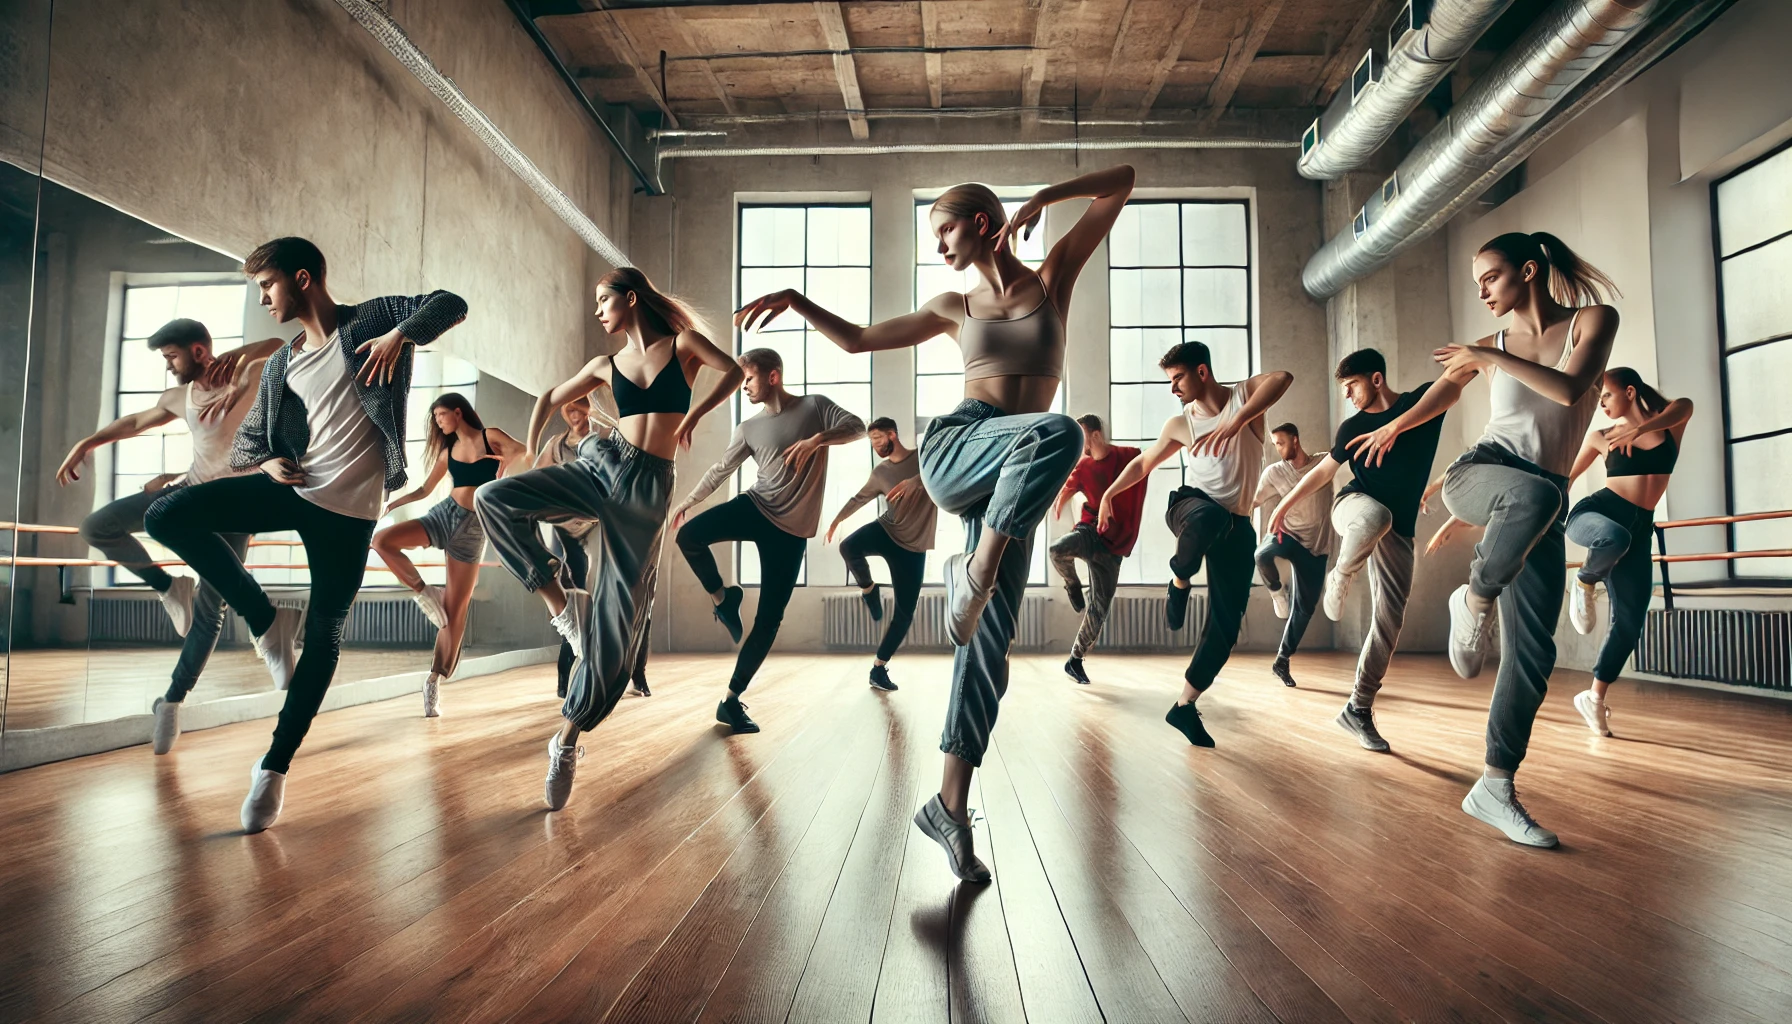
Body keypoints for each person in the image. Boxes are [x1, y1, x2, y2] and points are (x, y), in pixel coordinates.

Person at [738, 165, 1133, 883]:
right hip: (959, 447)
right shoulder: (954, 306)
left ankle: (949, 808)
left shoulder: (1055, 277)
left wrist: (1046, 192)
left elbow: (1122, 183)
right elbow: (858, 340)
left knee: (988, 652)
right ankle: (972, 570)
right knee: (1062, 432)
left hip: (1012, 490)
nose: (938, 245)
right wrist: (798, 300)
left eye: (944, 229)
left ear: (983, 222)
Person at [144, 237, 468, 833]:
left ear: (302, 278)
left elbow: (450, 302)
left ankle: (273, 768)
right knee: (164, 515)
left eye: (267, 286)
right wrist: (266, 462)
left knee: (325, 635)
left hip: (348, 514)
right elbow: (250, 442)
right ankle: (266, 618)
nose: (264, 298)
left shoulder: (369, 320)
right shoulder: (284, 361)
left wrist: (401, 336)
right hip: (292, 487)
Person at [477, 268, 739, 811]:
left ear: (632, 298)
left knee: (617, 632)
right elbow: (549, 396)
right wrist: (524, 455)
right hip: (604, 463)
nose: (598, 311)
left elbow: (733, 370)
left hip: (646, 490)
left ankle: (566, 738)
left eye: (604, 300)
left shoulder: (682, 345)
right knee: (491, 499)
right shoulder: (604, 365)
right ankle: (561, 606)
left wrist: (694, 415)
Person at [1397, 231, 1620, 848]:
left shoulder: (1591, 322)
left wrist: (1489, 357)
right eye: (1477, 284)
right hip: (1480, 473)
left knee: (1534, 653)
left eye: (1490, 278)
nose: (1483, 292)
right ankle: (1473, 598)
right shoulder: (1489, 345)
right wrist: (1395, 425)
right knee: (1537, 495)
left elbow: (1572, 389)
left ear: (1527, 270)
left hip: (1541, 497)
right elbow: (1443, 391)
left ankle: (1494, 786)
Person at [56, 317, 279, 754]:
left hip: (233, 509)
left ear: (198, 351)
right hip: (187, 495)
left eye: (171, 356)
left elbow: (278, 342)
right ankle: (168, 585)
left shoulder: (247, 375)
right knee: (96, 526)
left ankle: (172, 703)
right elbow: (136, 421)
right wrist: (85, 443)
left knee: (210, 610)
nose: (168, 366)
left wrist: (237, 355)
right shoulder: (180, 396)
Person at [1100, 340, 1291, 748]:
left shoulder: (1245, 400)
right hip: (1191, 509)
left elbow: (1282, 378)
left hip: (1236, 526)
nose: (1173, 389)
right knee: (1209, 516)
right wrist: (1108, 494)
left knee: (1226, 624)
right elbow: (1144, 463)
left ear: (1202, 372)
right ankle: (1180, 580)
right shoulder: (1180, 423)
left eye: (1177, 378)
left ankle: (1185, 706)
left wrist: (1236, 421)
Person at [1267, 348, 1457, 752]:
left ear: (1375, 379)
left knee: (1390, 620)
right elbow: (1323, 472)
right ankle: (1342, 573)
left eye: (1352, 386)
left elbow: (1455, 387)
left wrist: (1478, 349)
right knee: (1375, 517)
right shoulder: (1351, 427)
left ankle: (1358, 707)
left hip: (1399, 528)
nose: (1348, 396)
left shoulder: (1419, 404)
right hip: (1353, 509)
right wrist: (1283, 504)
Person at [670, 348, 866, 732]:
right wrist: (689, 502)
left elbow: (858, 427)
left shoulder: (815, 407)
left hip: (791, 534)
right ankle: (724, 600)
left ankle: (731, 702)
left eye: (748, 379)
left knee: (768, 621)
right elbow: (721, 469)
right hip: (757, 507)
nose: (743, 387)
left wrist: (817, 441)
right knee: (689, 536)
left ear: (772, 376)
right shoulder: (749, 428)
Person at [372, 393, 526, 717]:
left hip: (474, 531)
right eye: (436, 418)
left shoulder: (490, 437)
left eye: (441, 415)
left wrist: (503, 472)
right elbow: (425, 490)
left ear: (458, 412)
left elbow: (522, 452)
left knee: (455, 612)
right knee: (383, 540)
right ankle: (424, 591)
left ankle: (433, 680)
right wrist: (393, 505)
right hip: (444, 515)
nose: (439, 422)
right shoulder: (448, 450)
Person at [1563, 369, 1692, 737]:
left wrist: (1637, 430)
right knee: (1614, 537)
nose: (1601, 403)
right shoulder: (1600, 437)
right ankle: (1585, 579)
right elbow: (1566, 480)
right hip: (1596, 516)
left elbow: (1685, 405)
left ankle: (1594, 698)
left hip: (1639, 532)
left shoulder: (1669, 428)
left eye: (1605, 395)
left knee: (1631, 622)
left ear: (1630, 392)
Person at [534, 394, 653, 700]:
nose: (575, 413)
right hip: (566, 529)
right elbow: (535, 478)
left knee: (628, 592)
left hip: (601, 524)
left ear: (590, 408)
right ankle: (565, 679)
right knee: (574, 596)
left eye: (580, 406)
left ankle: (636, 673)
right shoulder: (556, 445)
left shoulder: (606, 439)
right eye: (569, 408)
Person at [823, 417, 937, 692]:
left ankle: (878, 669)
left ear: (892, 435)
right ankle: (869, 590)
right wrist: (836, 521)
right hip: (888, 530)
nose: (874, 445)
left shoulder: (924, 458)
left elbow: (947, 469)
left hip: (913, 547)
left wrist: (916, 480)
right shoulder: (880, 472)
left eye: (877, 439)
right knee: (848, 547)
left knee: (905, 612)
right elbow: (858, 499)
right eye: (871, 441)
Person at [1047, 413, 1143, 684]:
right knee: (1057, 550)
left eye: (1082, 436)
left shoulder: (1130, 456)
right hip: (1089, 533)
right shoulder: (1083, 466)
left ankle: (1075, 660)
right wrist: (1060, 499)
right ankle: (1073, 586)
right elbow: (1066, 489)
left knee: (1099, 608)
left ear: (1096, 435)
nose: (1081, 443)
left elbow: (1145, 464)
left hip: (1114, 549)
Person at [1249, 421, 1333, 688]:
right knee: (1262, 554)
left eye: (1281, 443)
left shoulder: (1323, 463)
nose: (1278, 449)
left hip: (1316, 545)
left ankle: (1282, 660)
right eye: (1275, 444)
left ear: (1295, 440)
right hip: (1287, 534)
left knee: (1305, 608)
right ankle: (1276, 592)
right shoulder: (1274, 472)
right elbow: (1253, 501)